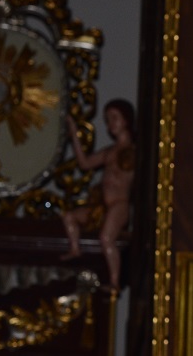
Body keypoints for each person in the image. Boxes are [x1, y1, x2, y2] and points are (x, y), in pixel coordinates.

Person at [60, 99, 135, 291]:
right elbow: (85, 163)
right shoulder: (109, 152)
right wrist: (74, 134)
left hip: (119, 204)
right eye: (107, 119)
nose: (110, 124)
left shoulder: (133, 152)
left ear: (126, 120)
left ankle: (114, 281)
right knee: (69, 217)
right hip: (102, 206)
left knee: (106, 238)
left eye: (114, 118)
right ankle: (75, 249)